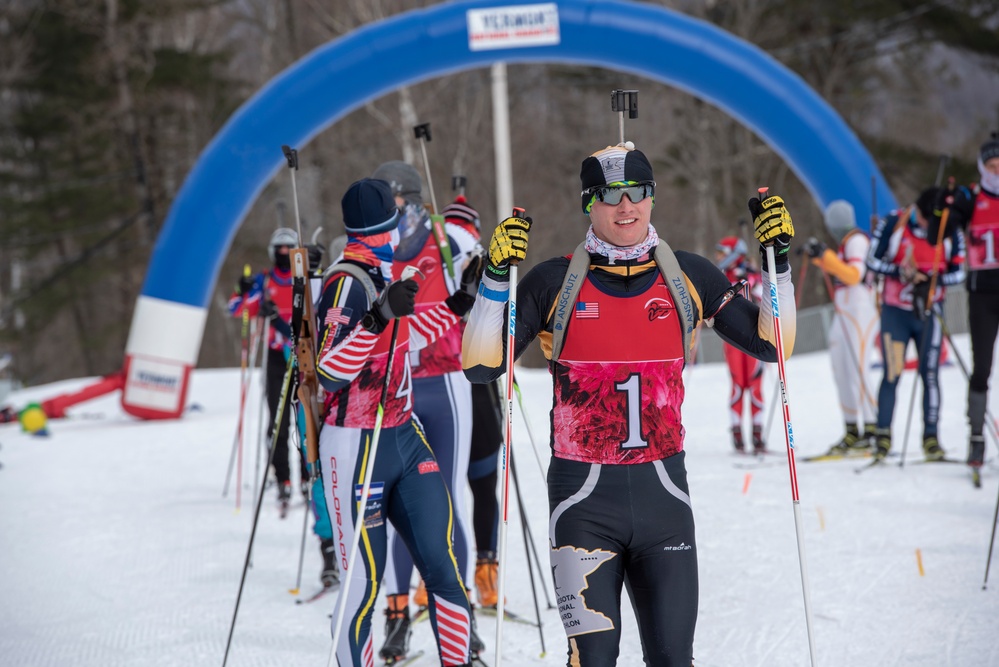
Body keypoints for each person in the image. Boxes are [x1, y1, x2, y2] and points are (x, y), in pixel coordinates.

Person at [461, 143, 797, 666]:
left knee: (673, 661)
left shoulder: (689, 275)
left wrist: (778, 266)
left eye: (638, 192)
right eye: (610, 195)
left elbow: (776, 345)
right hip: (582, 507)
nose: (626, 207)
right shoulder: (554, 283)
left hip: (665, 500)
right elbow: (481, 364)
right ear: (587, 203)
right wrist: (495, 278)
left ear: (652, 198)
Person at [314, 177, 480, 667]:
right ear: (384, 229)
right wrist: (375, 318)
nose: (399, 234)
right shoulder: (346, 283)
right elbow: (329, 372)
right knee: (362, 589)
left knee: (443, 569)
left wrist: (457, 306)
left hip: (404, 438)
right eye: (394, 226)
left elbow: (404, 339)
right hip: (355, 444)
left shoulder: (385, 274)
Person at [368, 161, 484, 662]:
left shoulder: (450, 240)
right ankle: (397, 615)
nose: (392, 213)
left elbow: (485, 294)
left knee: (448, 499)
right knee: (396, 503)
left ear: (415, 200)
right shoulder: (376, 248)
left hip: (448, 381)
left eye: (397, 201)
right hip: (397, 386)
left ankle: (463, 612)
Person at [865, 186, 967, 462]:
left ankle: (931, 439)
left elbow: (960, 272)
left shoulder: (949, 227)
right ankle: (883, 436)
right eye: (925, 221)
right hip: (896, 312)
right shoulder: (894, 222)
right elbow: (872, 260)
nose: (929, 228)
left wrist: (933, 281)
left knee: (930, 374)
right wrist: (901, 272)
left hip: (929, 313)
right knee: (892, 373)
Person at [439, 196, 504, 611]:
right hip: (439, 385)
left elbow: (503, 316)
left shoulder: (483, 262)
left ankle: (486, 571)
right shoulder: (430, 263)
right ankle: (440, 577)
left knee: (481, 483)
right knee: (439, 489)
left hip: (477, 384)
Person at [228, 227, 309, 512]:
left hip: (303, 357)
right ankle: (283, 478)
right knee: (278, 422)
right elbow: (236, 308)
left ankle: (307, 477)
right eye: (279, 250)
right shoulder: (264, 281)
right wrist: (243, 287)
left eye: (289, 249)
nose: (284, 254)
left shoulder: (305, 278)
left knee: (306, 421)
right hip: (275, 359)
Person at [938, 133, 999, 470]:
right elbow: (942, 233)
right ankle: (976, 437)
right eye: (991, 166)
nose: (996, 172)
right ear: (982, 167)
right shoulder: (972, 199)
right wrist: (943, 208)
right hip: (982, 295)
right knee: (983, 368)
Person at [802, 200, 880, 456]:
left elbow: (854, 275)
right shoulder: (845, 244)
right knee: (841, 370)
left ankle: (871, 430)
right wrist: (817, 257)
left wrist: (825, 256)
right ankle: (851, 430)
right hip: (844, 310)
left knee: (858, 369)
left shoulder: (857, 240)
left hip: (860, 310)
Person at [713, 236, 766, 453]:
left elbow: (764, 296)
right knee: (737, 385)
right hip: (733, 338)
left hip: (755, 337)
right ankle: (737, 433)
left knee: (755, 385)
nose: (718, 257)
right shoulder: (722, 276)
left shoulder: (750, 271)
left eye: (722, 252)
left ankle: (757, 434)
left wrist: (752, 278)